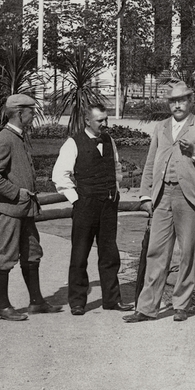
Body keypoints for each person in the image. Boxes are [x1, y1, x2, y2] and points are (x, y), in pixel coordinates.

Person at [124, 80, 195, 323]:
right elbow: (150, 162)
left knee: (187, 250)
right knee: (156, 251)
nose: (177, 105)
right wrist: (145, 195)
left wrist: (194, 151)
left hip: (188, 195)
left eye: (182, 100)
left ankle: (181, 304)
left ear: (191, 101)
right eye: (173, 101)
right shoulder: (161, 127)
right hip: (162, 196)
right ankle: (147, 308)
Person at [0, 93, 61, 321]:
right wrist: (16, 192)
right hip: (9, 210)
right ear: (19, 113)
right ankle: (2, 307)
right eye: (31, 111)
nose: (34, 114)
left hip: (24, 210)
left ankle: (36, 302)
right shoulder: (5, 139)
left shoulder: (19, 136)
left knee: (32, 253)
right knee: (6, 256)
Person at [52, 102, 132, 316]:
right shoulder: (73, 143)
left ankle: (112, 300)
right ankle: (77, 302)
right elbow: (60, 176)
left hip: (108, 205)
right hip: (85, 206)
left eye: (106, 119)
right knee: (80, 254)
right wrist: (76, 200)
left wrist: (115, 189)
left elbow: (116, 167)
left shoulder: (109, 140)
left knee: (110, 253)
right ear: (87, 121)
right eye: (100, 121)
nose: (105, 124)